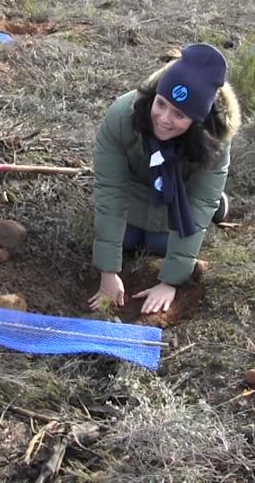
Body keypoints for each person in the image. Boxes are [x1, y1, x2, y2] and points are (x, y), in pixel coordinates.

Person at [89, 44, 241, 315]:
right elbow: (111, 191)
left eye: (179, 115)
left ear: (197, 120)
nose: (164, 119)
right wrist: (108, 271)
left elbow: (197, 203)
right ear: (155, 95)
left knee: (161, 244)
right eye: (161, 104)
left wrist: (171, 281)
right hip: (138, 187)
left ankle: (221, 205)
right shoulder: (123, 115)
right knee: (127, 240)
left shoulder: (213, 140)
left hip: (180, 196)